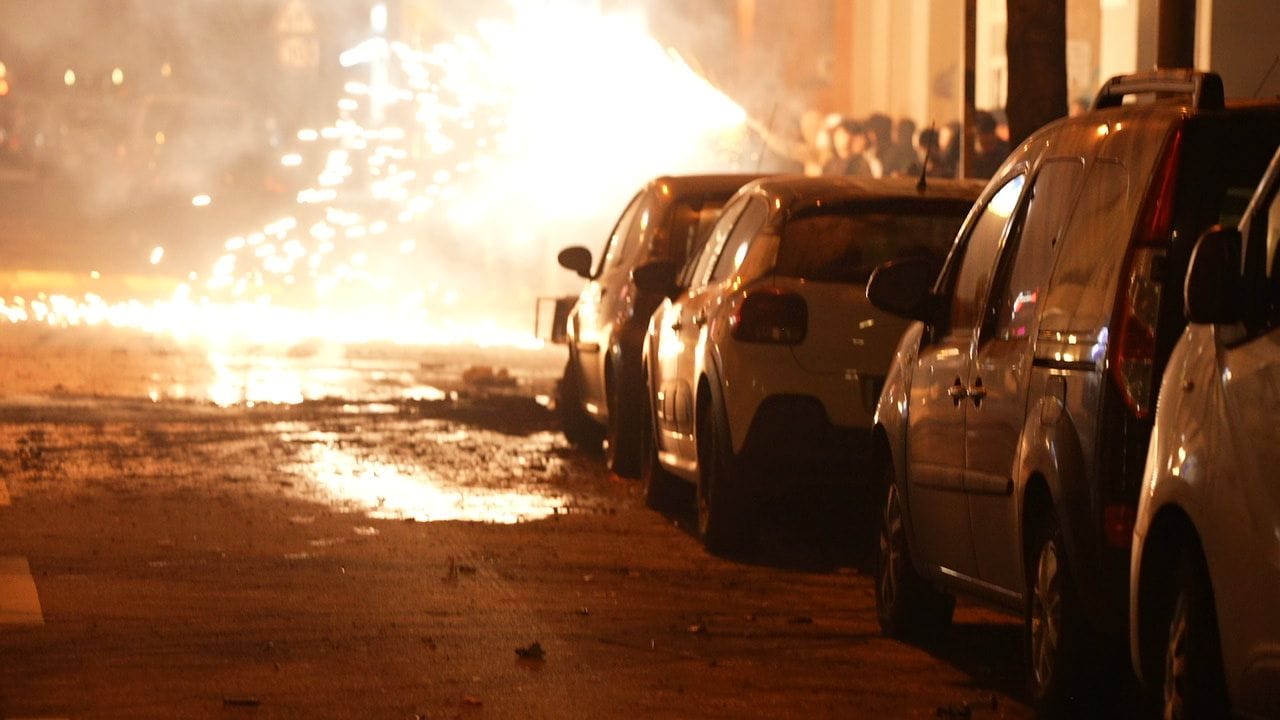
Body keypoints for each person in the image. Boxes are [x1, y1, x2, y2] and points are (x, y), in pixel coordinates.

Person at [970, 110, 1010, 179]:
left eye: (991, 133)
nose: (989, 138)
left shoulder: (1004, 154)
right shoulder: (969, 158)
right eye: (984, 134)